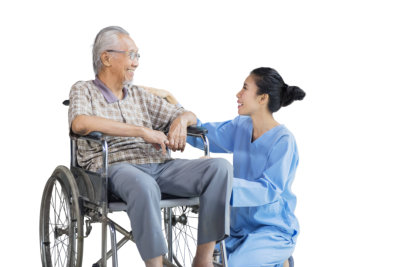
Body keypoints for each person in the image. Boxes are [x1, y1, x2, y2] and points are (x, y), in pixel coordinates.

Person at [68, 26, 232, 267]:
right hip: (114, 167)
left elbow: (190, 115)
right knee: (144, 185)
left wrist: (180, 122)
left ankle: (203, 259)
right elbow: (80, 123)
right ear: (106, 58)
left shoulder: (140, 95)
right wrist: (142, 131)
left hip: (160, 166)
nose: (136, 63)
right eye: (131, 55)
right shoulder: (83, 90)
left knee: (219, 168)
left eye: (137, 56)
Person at [155, 67, 305, 267]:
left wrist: (219, 182)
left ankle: (281, 259)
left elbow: (269, 190)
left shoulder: (283, 141)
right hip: (237, 229)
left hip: (271, 231)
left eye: (245, 88)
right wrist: (175, 105)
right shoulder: (241, 126)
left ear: (262, 99)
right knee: (212, 260)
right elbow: (204, 135)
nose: (238, 94)